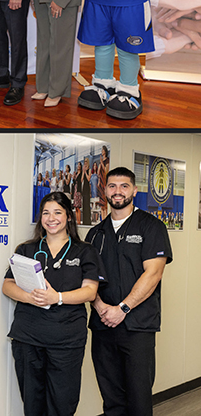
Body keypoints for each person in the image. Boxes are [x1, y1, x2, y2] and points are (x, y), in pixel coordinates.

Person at [3, 191, 105, 416]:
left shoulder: (85, 251)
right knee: (33, 404)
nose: (51, 218)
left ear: (69, 216)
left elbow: (90, 291)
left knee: (62, 404)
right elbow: (7, 285)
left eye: (58, 212)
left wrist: (56, 297)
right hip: (28, 338)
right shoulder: (27, 250)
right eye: (46, 213)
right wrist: (32, 297)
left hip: (66, 340)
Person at [85, 167, 173, 416]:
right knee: (111, 397)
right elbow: (89, 279)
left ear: (134, 190)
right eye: (112, 186)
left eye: (124, 186)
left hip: (137, 327)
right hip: (103, 325)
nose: (118, 191)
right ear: (105, 191)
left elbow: (153, 273)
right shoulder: (96, 233)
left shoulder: (151, 226)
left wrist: (122, 309)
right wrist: (101, 307)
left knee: (138, 397)